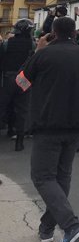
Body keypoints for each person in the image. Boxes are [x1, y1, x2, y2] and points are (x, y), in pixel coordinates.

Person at [17, 16, 79, 242]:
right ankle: (46, 228)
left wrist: (36, 52)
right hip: (77, 126)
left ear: (53, 32)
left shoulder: (43, 55)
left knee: (43, 177)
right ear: (75, 33)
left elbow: (21, 82)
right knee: (61, 177)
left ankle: (71, 225)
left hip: (48, 125)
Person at [0, 18, 35, 151]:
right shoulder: (32, 45)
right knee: (22, 109)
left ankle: (8, 129)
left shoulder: (7, 44)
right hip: (24, 79)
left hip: (8, 78)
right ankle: (19, 141)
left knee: (3, 106)